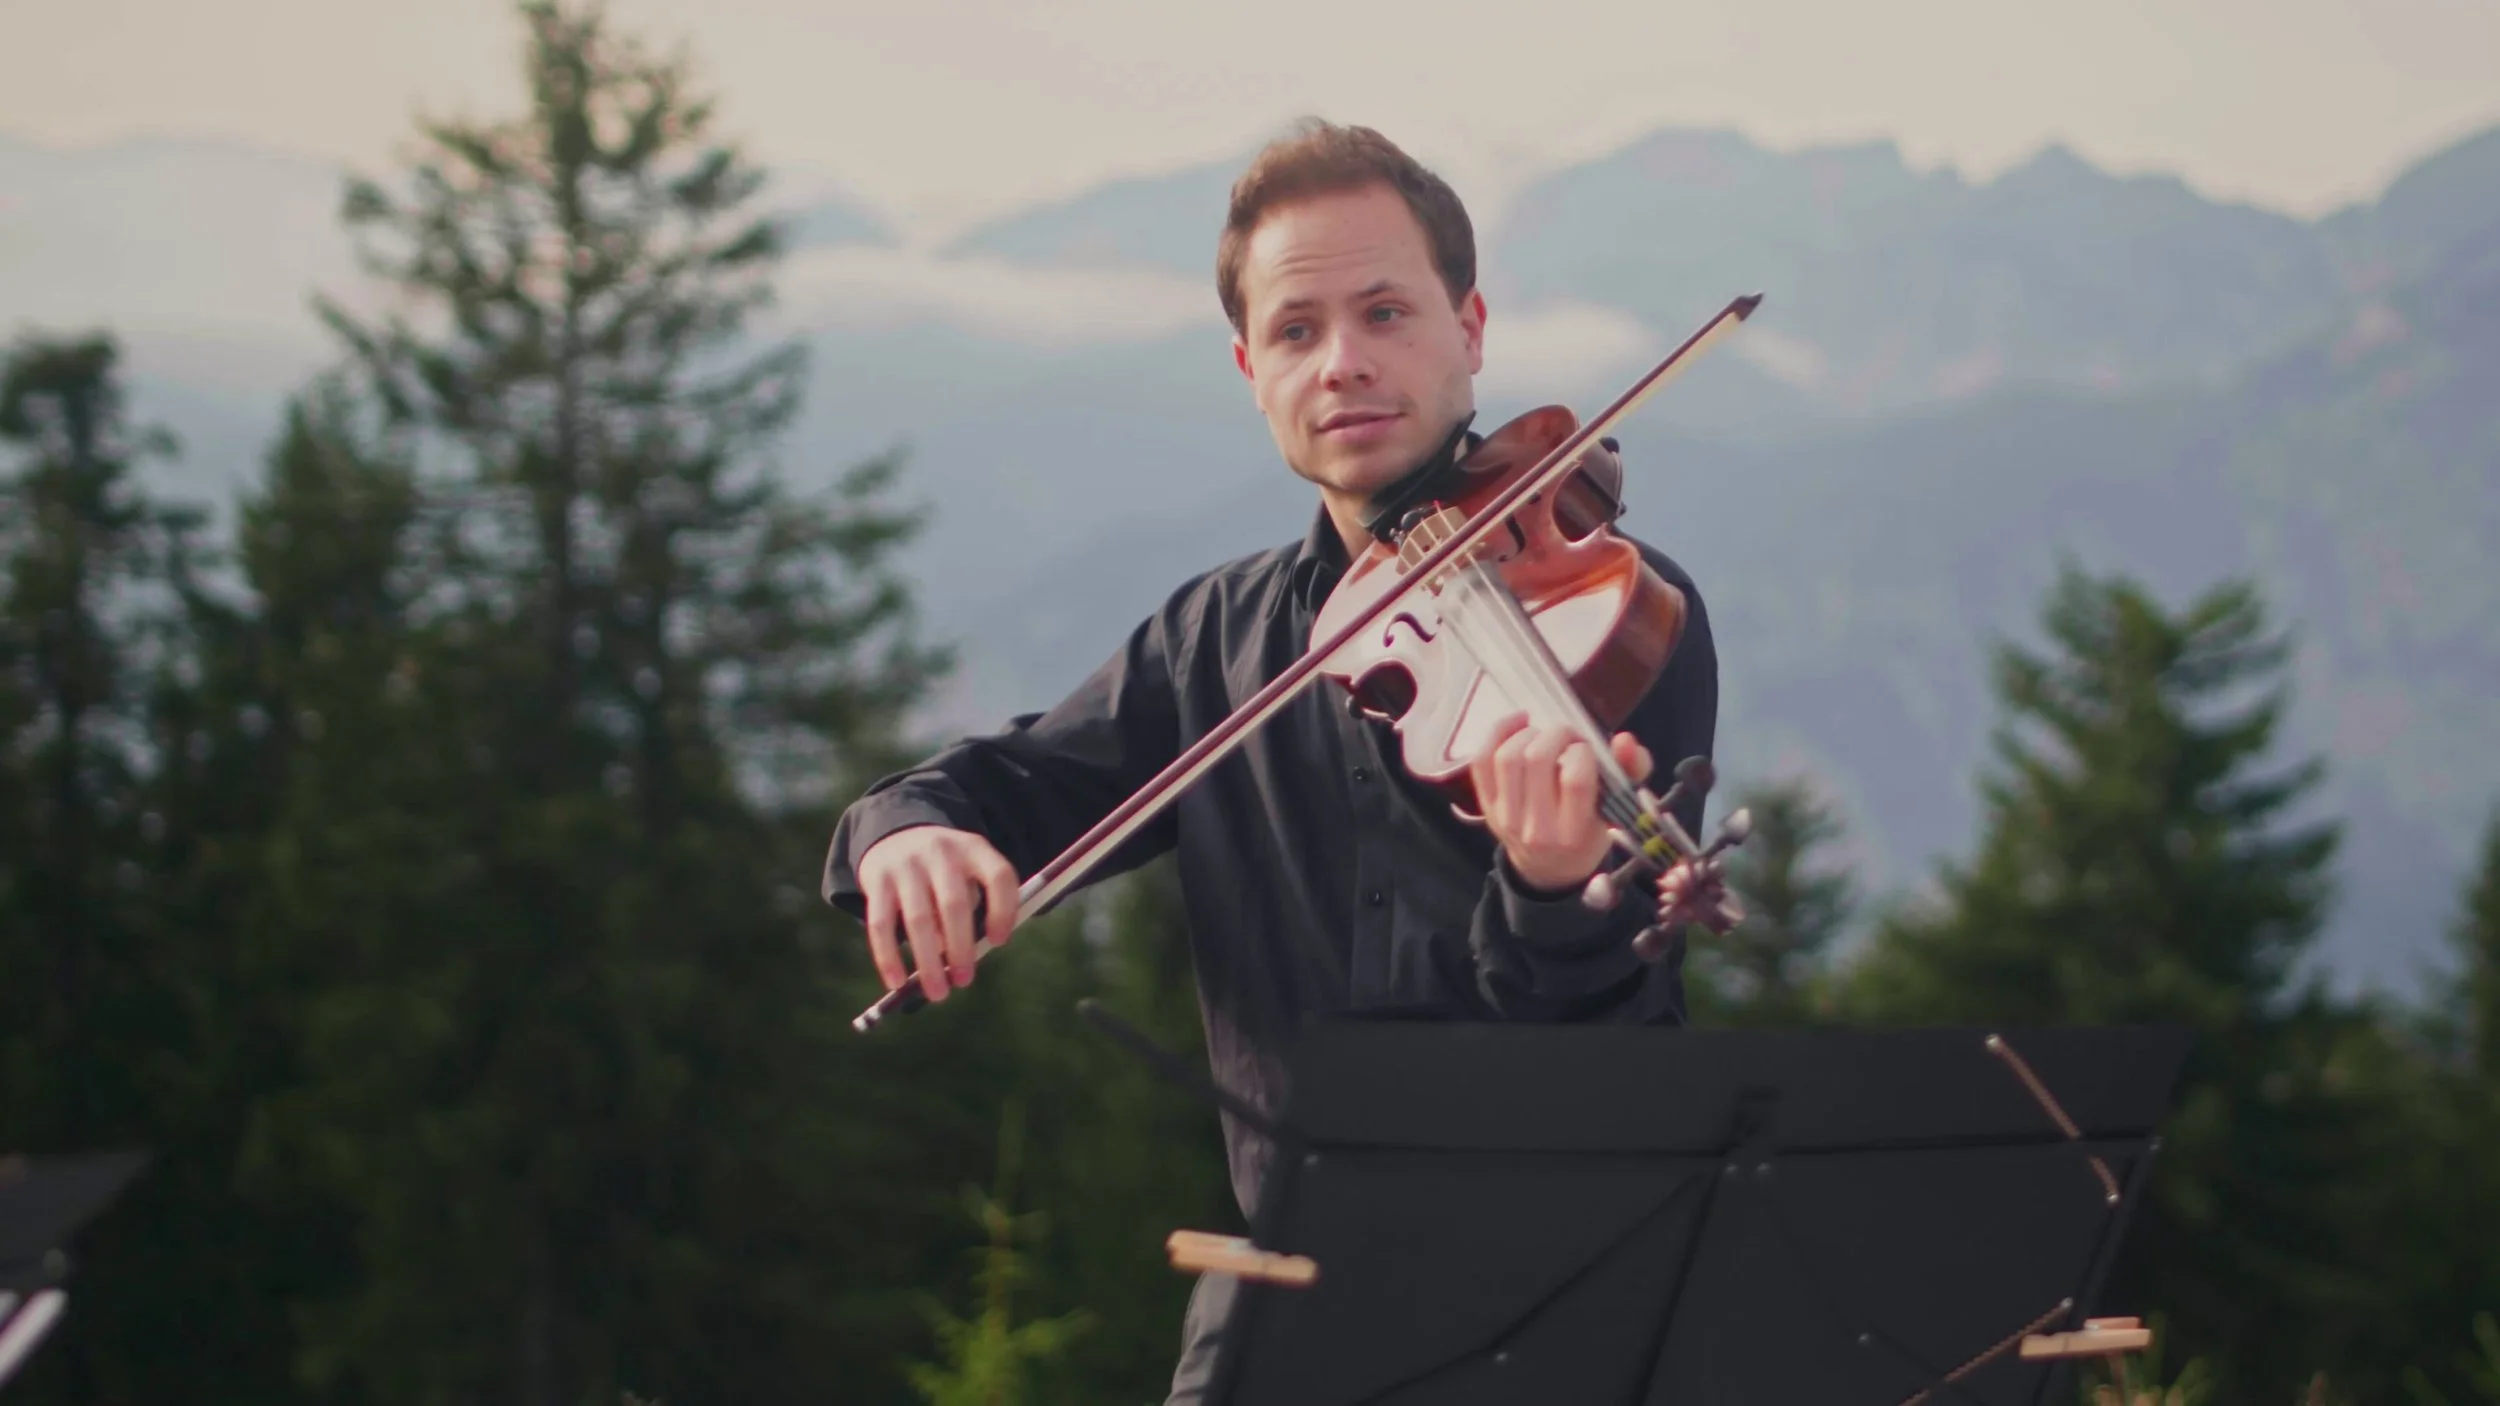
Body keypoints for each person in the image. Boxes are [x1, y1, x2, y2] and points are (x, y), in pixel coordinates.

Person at [819, 119, 1721, 1403]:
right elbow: (1006, 786)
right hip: (1289, 1290)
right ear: (1252, 369)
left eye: (1385, 312)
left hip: (1567, 1296)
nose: (1343, 362)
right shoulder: (1217, 639)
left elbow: (1612, 1040)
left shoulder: (1603, 608)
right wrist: (907, 829)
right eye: (1297, 330)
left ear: (1469, 329)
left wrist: (1549, 889)